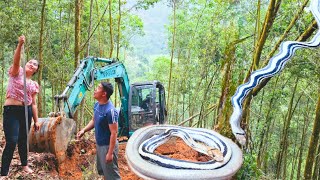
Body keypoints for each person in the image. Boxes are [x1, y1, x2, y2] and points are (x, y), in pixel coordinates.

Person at [1, 35, 40, 176]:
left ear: (36, 70)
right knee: (11, 140)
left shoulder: (34, 84)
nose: (31, 64)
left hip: (26, 111)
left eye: (35, 64)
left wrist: (36, 121)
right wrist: (19, 45)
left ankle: (24, 165)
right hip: (11, 111)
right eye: (30, 62)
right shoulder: (17, 72)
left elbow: (34, 103)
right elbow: (16, 61)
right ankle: (4, 173)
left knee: (23, 140)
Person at [77, 82, 121, 180]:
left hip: (108, 146)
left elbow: (114, 133)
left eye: (98, 88)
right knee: (105, 172)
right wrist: (84, 130)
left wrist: (110, 153)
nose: (95, 90)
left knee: (113, 175)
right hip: (100, 145)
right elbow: (94, 120)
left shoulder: (110, 111)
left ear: (104, 94)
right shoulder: (97, 105)